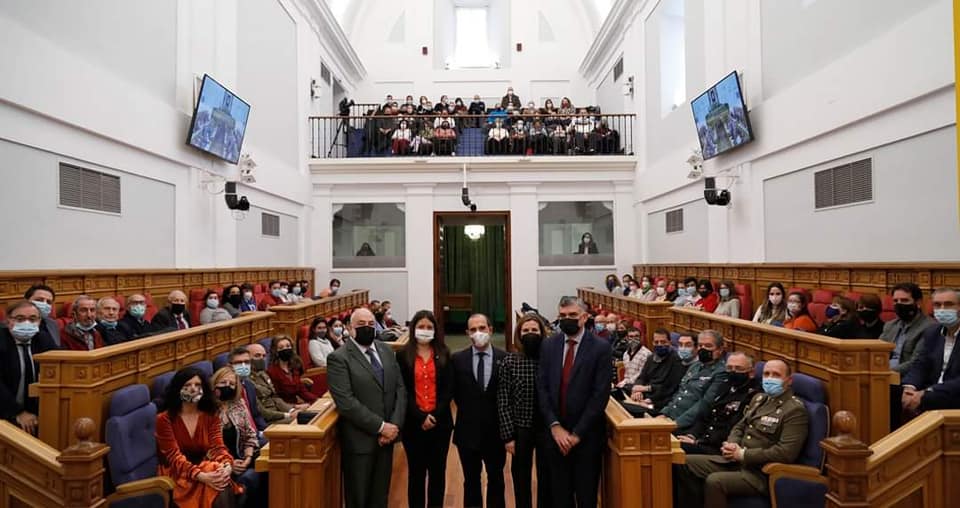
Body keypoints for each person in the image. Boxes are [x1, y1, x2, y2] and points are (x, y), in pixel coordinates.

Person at [674, 359, 809, 508]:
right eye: (766, 374)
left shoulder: (794, 410)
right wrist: (732, 443)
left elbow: (786, 453)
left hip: (759, 473)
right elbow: (740, 426)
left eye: (776, 375)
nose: (770, 378)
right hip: (734, 461)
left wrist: (744, 454)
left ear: (789, 380)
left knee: (715, 481)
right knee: (681, 461)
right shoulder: (760, 398)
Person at [536, 296, 612, 508]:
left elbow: (600, 395)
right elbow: (542, 388)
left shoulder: (601, 348)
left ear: (584, 317)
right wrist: (555, 426)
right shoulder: (549, 345)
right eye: (562, 316)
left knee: (586, 497)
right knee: (560, 497)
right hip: (555, 436)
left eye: (572, 315)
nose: (566, 319)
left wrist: (577, 434)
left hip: (586, 437)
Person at [326, 308, 406, 508]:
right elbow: (346, 402)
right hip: (360, 442)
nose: (367, 328)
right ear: (350, 328)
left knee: (381, 498)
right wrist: (381, 427)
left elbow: (400, 389)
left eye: (371, 324)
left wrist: (393, 426)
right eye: (361, 325)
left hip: (387, 439)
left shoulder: (386, 350)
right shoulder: (339, 358)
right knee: (359, 499)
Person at [156, 367, 242, 508]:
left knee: (218, 473)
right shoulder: (164, 419)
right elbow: (173, 456)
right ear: (178, 389)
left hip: (204, 467)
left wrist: (227, 465)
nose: (193, 389)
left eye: (197, 385)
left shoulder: (211, 416)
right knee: (215, 477)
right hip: (177, 472)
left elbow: (218, 447)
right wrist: (201, 476)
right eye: (187, 385)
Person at [395, 310, 453, 508]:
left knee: (438, 473)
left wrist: (434, 416)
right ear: (413, 329)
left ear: (435, 330)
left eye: (429, 327)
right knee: (416, 474)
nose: (425, 331)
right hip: (413, 424)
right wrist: (420, 416)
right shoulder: (403, 355)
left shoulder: (444, 353)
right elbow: (403, 390)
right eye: (421, 327)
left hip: (440, 424)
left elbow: (448, 389)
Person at [452, 313, 507, 508]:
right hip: (467, 433)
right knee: (471, 482)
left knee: (497, 481)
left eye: (482, 328)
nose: (478, 333)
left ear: (490, 330)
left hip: (497, 433)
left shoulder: (505, 359)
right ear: (467, 333)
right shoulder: (457, 360)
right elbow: (455, 394)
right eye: (473, 330)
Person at [498, 314, 552, 508]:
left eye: (534, 330)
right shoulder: (510, 362)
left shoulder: (550, 360)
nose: (530, 334)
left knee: (546, 479)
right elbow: (503, 400)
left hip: (547, 428)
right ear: (519, 335)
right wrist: (508, 436)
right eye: (526, 331)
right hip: (521, 429)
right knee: (521, 479)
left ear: (542, 333)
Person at [677, 352, 762, 456]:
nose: (733, 372)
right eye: (729, 368)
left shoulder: (753, 395)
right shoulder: (725, 386)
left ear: (751, 373)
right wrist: (692, 436)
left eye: (739, 369)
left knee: (673, 450)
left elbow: (733, 428)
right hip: (703, 440)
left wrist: (698, 442)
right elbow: (705, 414)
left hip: (717, 447)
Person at [1, 301, 58, 435]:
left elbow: (60, 364)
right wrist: (18, 412)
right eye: (20, 319)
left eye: (33, 319)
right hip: (5, 412)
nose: (27, 323)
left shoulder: (43, 338)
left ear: (39, 321)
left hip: (37, 412)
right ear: (8, 320)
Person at [901, 288, 960, 414]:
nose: (942, 309)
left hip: (952, 393)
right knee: (890, 394)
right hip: (930, 391)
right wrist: (909, 387)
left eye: (949, 304)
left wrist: (927, 392)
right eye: (937, 305)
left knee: (925, 400)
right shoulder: (932, 332)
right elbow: (920, 365)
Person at [658, 330, 728, 434]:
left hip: (688, 425)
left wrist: (676, 424)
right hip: (671, 417)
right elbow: (680, 393)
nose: (703, 349)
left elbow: (704, 405)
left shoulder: (721, 372)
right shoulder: (696, 365)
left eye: (708, 346)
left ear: (720, 349)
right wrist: (665, 413)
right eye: (700, 345)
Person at [210, 367, 262, 504]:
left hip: (241, 457)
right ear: (214, 385)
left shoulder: (239, 404)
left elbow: (249, 435)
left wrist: (248, 457)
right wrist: (229, 464)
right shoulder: (207, 410)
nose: (228, 386)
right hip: (218, 463)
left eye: (231, 384)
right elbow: (205, 446)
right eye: (223, 383)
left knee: (271, 468)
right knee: (250, 478)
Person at [625, 330, 688, 411]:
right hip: (644, 396)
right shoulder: (651, 357)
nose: (659, 344)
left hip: (659, 401)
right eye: (656, 342)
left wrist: (645, 390)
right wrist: (637, 390)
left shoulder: (677, 360)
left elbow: (669, 387)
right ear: (653, 343)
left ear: (669, 342)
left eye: (663, 342)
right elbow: (641, 377)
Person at [880, 282, 935, 373]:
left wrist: (885, 372)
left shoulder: (929, 327)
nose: (899, 304)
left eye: (904, 300)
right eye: (895, 301)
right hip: (883, 373)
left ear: (918, 303)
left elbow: (915, 362)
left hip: (905, 377)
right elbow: (877, 351)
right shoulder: (890, 325)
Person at [245, 343, 303, 425]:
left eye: (264, 356)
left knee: (307, 415)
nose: (262, 359)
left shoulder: (262, 374)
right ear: (247, 358)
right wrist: (287, 415)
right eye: (257, 356)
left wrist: (292, 410)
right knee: (303, 421)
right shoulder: (247, 381)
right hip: (267, 421)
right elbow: (261, 412)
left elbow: (275, 398)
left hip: (278, 414)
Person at [226, 347, 268, 435]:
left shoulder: (249, 385)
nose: (243, 365)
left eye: (246, 362)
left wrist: (267, 432)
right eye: (239, 363)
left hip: (257, 432)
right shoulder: (227, 389)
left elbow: (256, 415)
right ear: (229, 366)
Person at [267, 336, 317, 405]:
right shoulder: (272, 372)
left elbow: (302, 391)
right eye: (281, 348)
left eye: (288, 346)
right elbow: (276, 399)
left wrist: (317, 400)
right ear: (275, 351)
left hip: (297, 405)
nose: (285, 349)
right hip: (285, 409)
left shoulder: (294, 367)